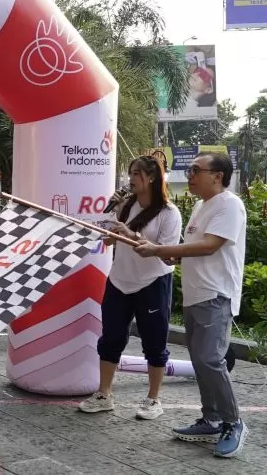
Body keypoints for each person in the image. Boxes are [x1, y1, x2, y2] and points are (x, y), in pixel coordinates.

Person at [135, 152, 248, 458]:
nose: (189, 174)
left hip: (216, 295)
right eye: (189, 169)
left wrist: (162, 248)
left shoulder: (229, 204)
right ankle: (211, 419)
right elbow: (195, 247)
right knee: (200, 362)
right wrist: (172, 254)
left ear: (218, 176)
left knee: (211, 360)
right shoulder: (201, 205)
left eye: (196, 170)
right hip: (196, 295)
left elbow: (211, 245)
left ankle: (233, 422)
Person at [78, 156, 181, 420]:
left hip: (153, 282)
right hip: (119, 280)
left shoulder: (169, 213)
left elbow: (164, 253)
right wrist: (107, 230)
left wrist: (129, 233)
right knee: (111, 337)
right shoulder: (124, 204)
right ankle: (104, 394)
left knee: (154, 342)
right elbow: (109, 239)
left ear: (152, 178)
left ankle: (153, 399)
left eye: (136, 173)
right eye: (130, 173)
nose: (131, 179)